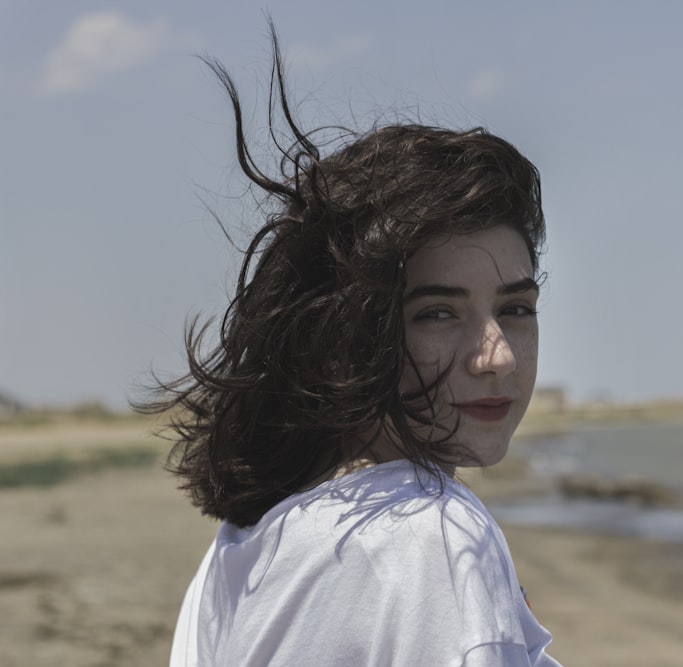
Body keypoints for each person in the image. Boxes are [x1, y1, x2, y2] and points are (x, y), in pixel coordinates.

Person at [141, 29, 562, 667]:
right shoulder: (433, 537)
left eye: (516, 309)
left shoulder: (248, 542)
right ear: (348, 333)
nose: (496, 355)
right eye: (438, 313)